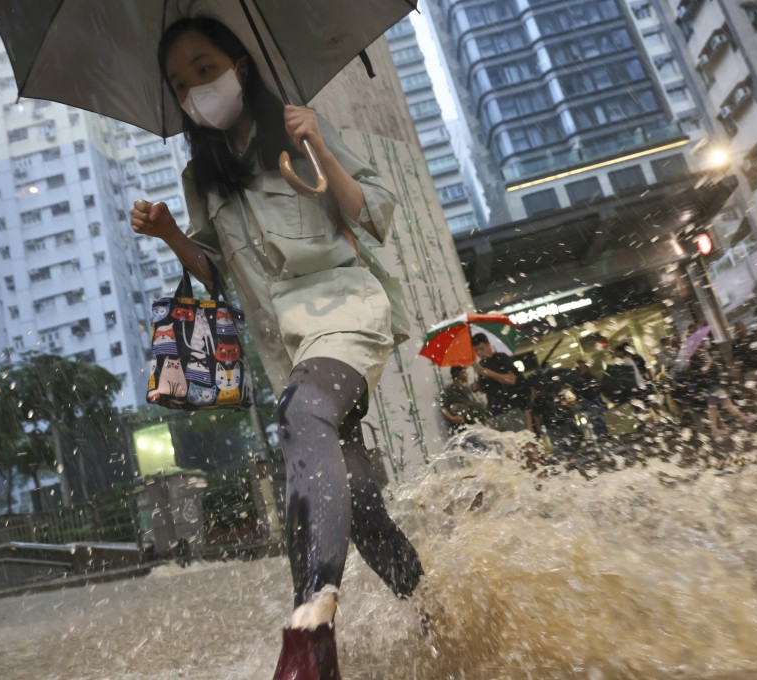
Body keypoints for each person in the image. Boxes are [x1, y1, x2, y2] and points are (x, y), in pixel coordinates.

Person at [133, 17, 422, 678]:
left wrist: (317, 143)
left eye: (205, 69)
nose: (195, 90)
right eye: (180, 84)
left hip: (347, 311)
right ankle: (435, 611)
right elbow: (213, 274)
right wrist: (172, 234)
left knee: (300, 416)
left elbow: (372, 211)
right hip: (285, 344)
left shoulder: (297, 127)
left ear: (239, 63)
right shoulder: (200, 176)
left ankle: (310, 622)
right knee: (356, 504)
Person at [470, 333, 529, 432]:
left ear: (488, 345)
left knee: (521, 443)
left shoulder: (501, 358)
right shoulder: (481, 365)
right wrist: (476, 386)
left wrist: (490, 373)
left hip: (510, 408)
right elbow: (486, 389)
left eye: (481, 349)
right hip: (494, 412)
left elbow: (511, 379)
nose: (480, 353)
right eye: (476, 351)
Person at [439, 366, 488, 431]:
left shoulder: (466, 389)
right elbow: (443, 408)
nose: (467, 375)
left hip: (473, 425)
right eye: (464, 372)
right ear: (459, 374)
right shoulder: (449, 390)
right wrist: (452, 418)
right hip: (461, 426)